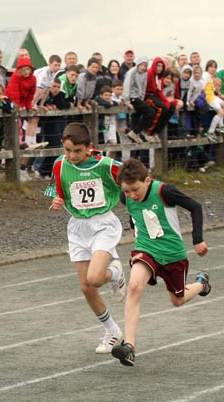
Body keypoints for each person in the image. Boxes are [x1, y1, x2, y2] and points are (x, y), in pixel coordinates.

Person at [112, 158, 211, 366]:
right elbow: (134, 213)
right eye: (127, 191)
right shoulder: (126, 196)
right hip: (147, 249)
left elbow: (195, 207)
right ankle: (129, 346)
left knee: (177, 300)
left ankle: (202, 283)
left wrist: (198, 239)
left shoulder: (165, 191)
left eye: (135, 190)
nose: (131, 196)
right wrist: (134, 229)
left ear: (147, 180)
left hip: (173, 253)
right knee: (134, 287)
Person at [47, 122, 127, 354]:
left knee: (94, 278)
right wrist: (56, 202)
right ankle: (112, 330)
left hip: (103, 224)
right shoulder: (60, 165)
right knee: (86, 287)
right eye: (67, 150)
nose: (72, 156)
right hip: (77, 227)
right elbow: (57, 192)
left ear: (89, 147)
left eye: (77, 151)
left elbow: (135, 177)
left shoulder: (106, 165)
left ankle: (115, 273)